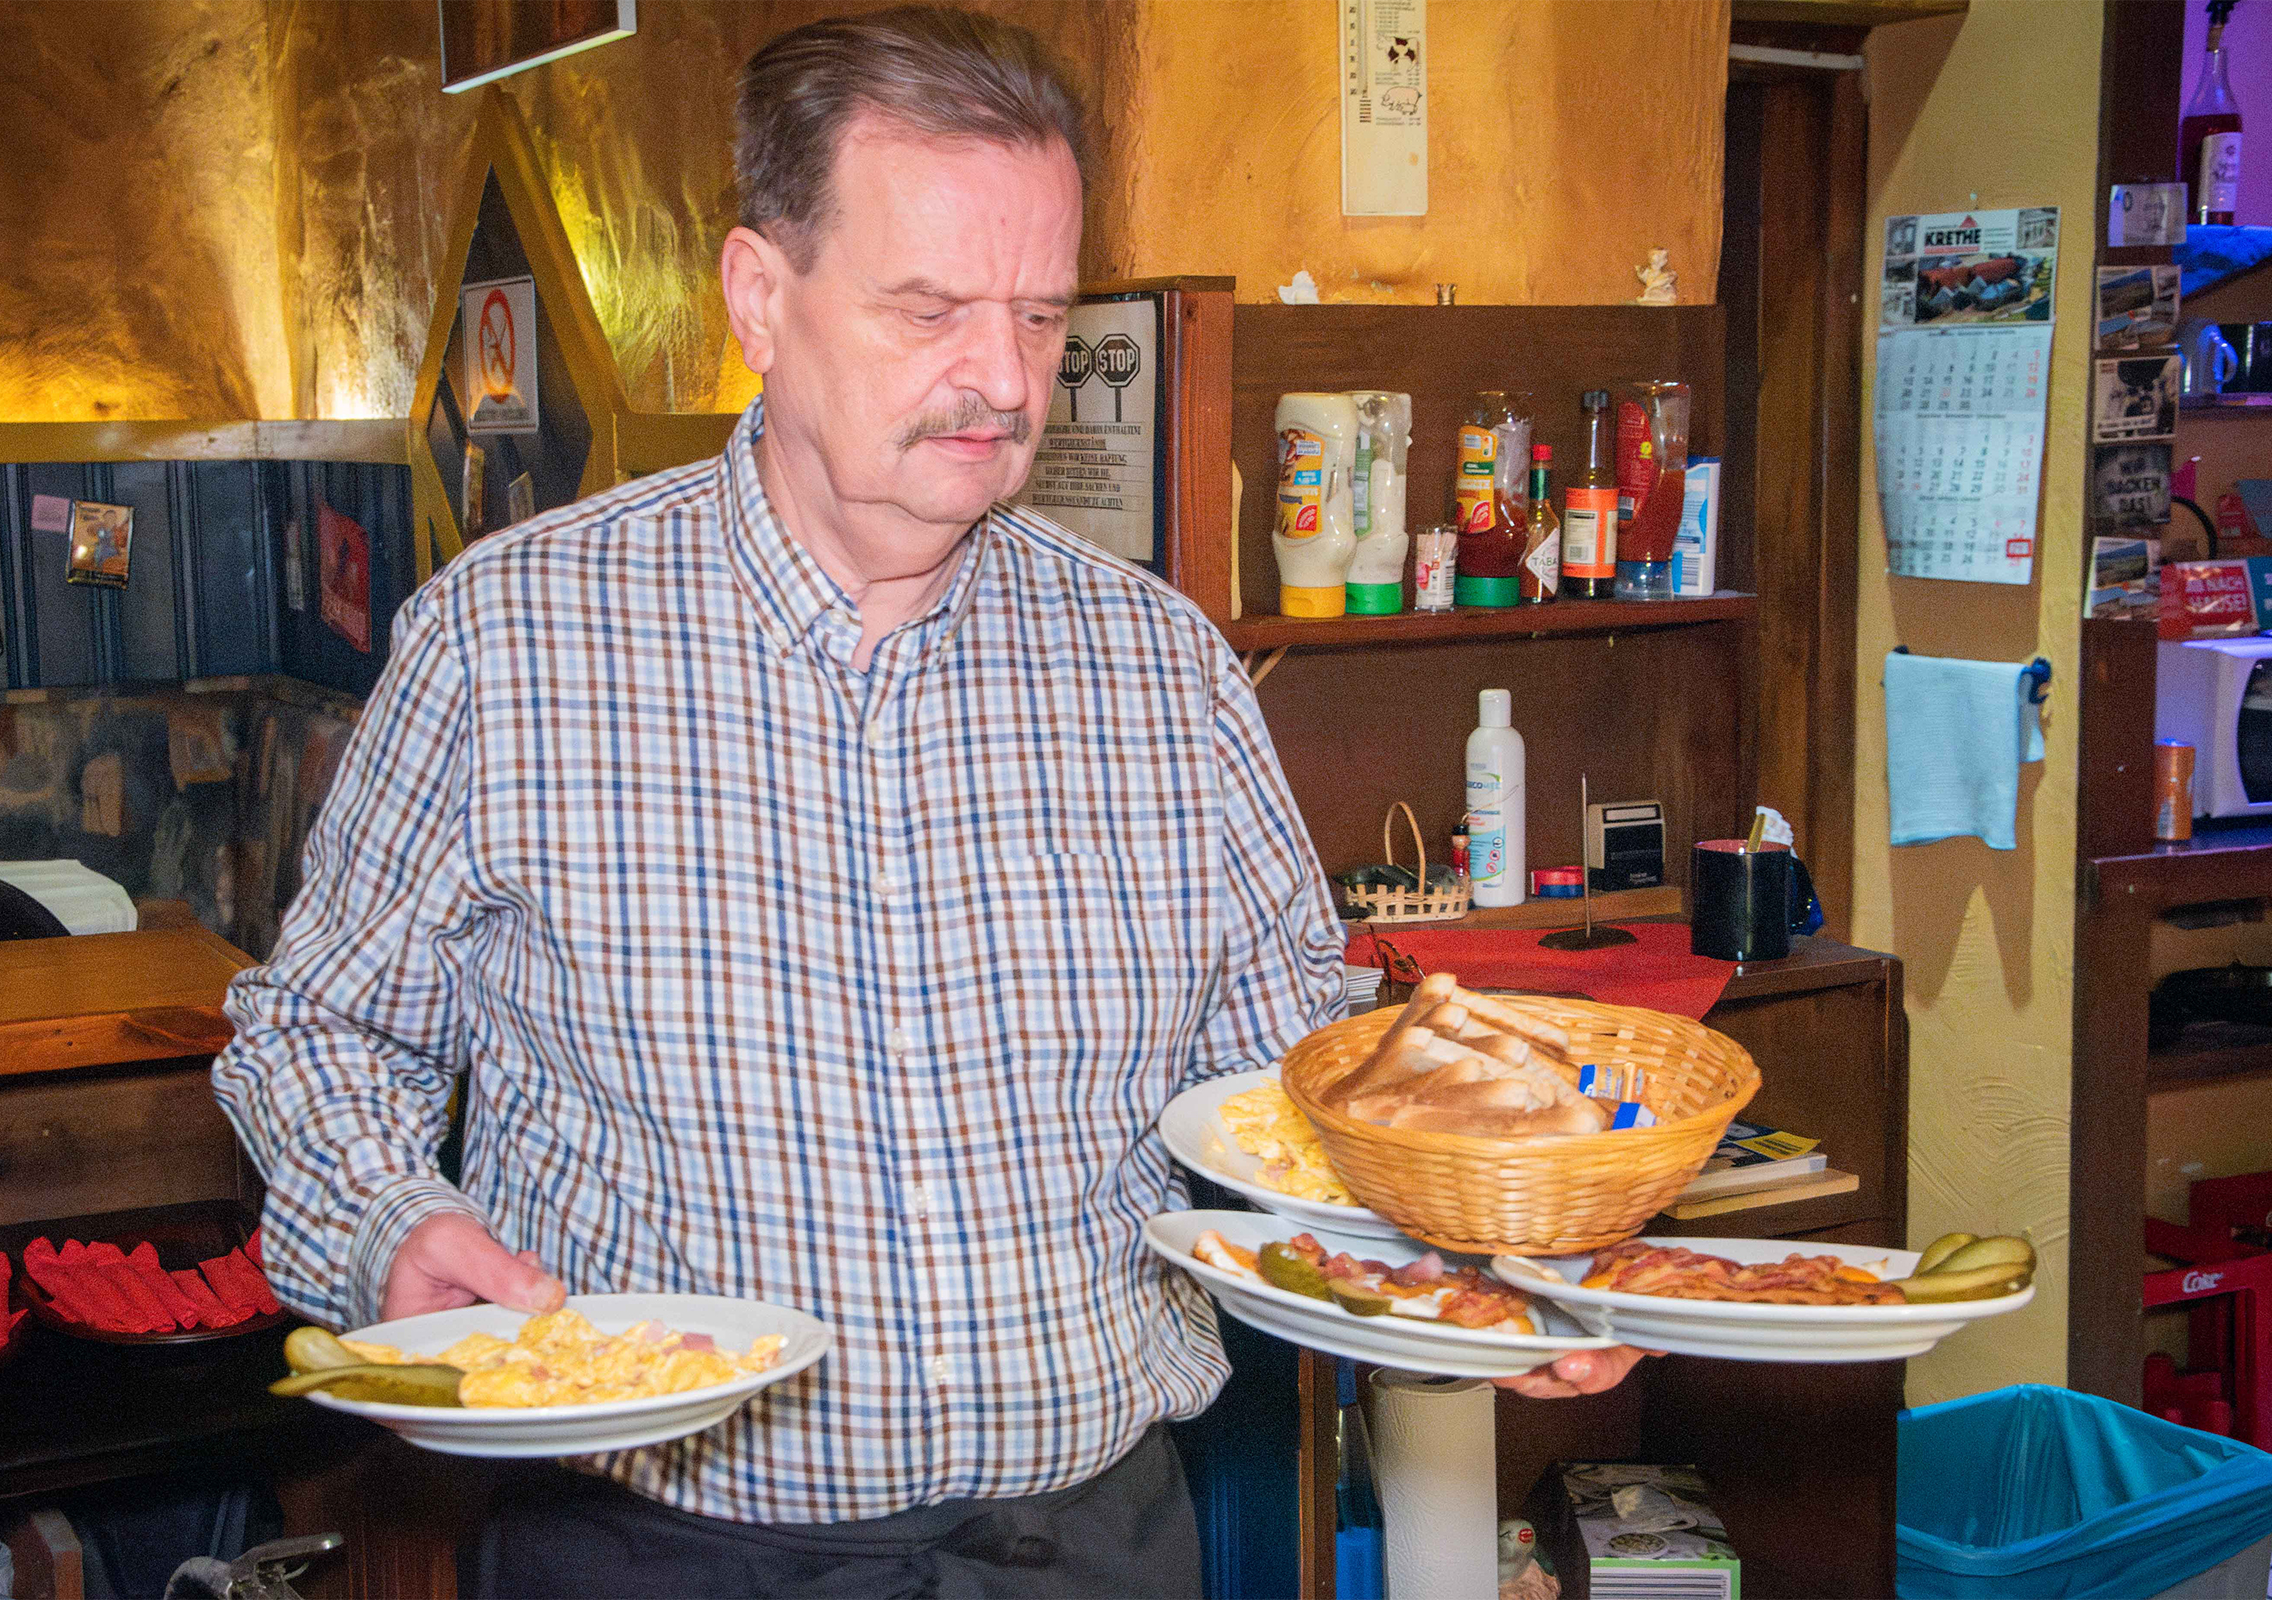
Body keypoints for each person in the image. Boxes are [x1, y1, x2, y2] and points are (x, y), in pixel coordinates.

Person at [212, 9, 1643, 1595]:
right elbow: (322, 1035)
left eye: (1039, 316)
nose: (1001, 378)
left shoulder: (1162, 670)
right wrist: (387, 1224)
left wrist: (1480, 1253)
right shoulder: (512, 640)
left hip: (1097, 1543)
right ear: (762, 296)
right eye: (931, 310)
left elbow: (1296, 1096)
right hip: (666, 1552)